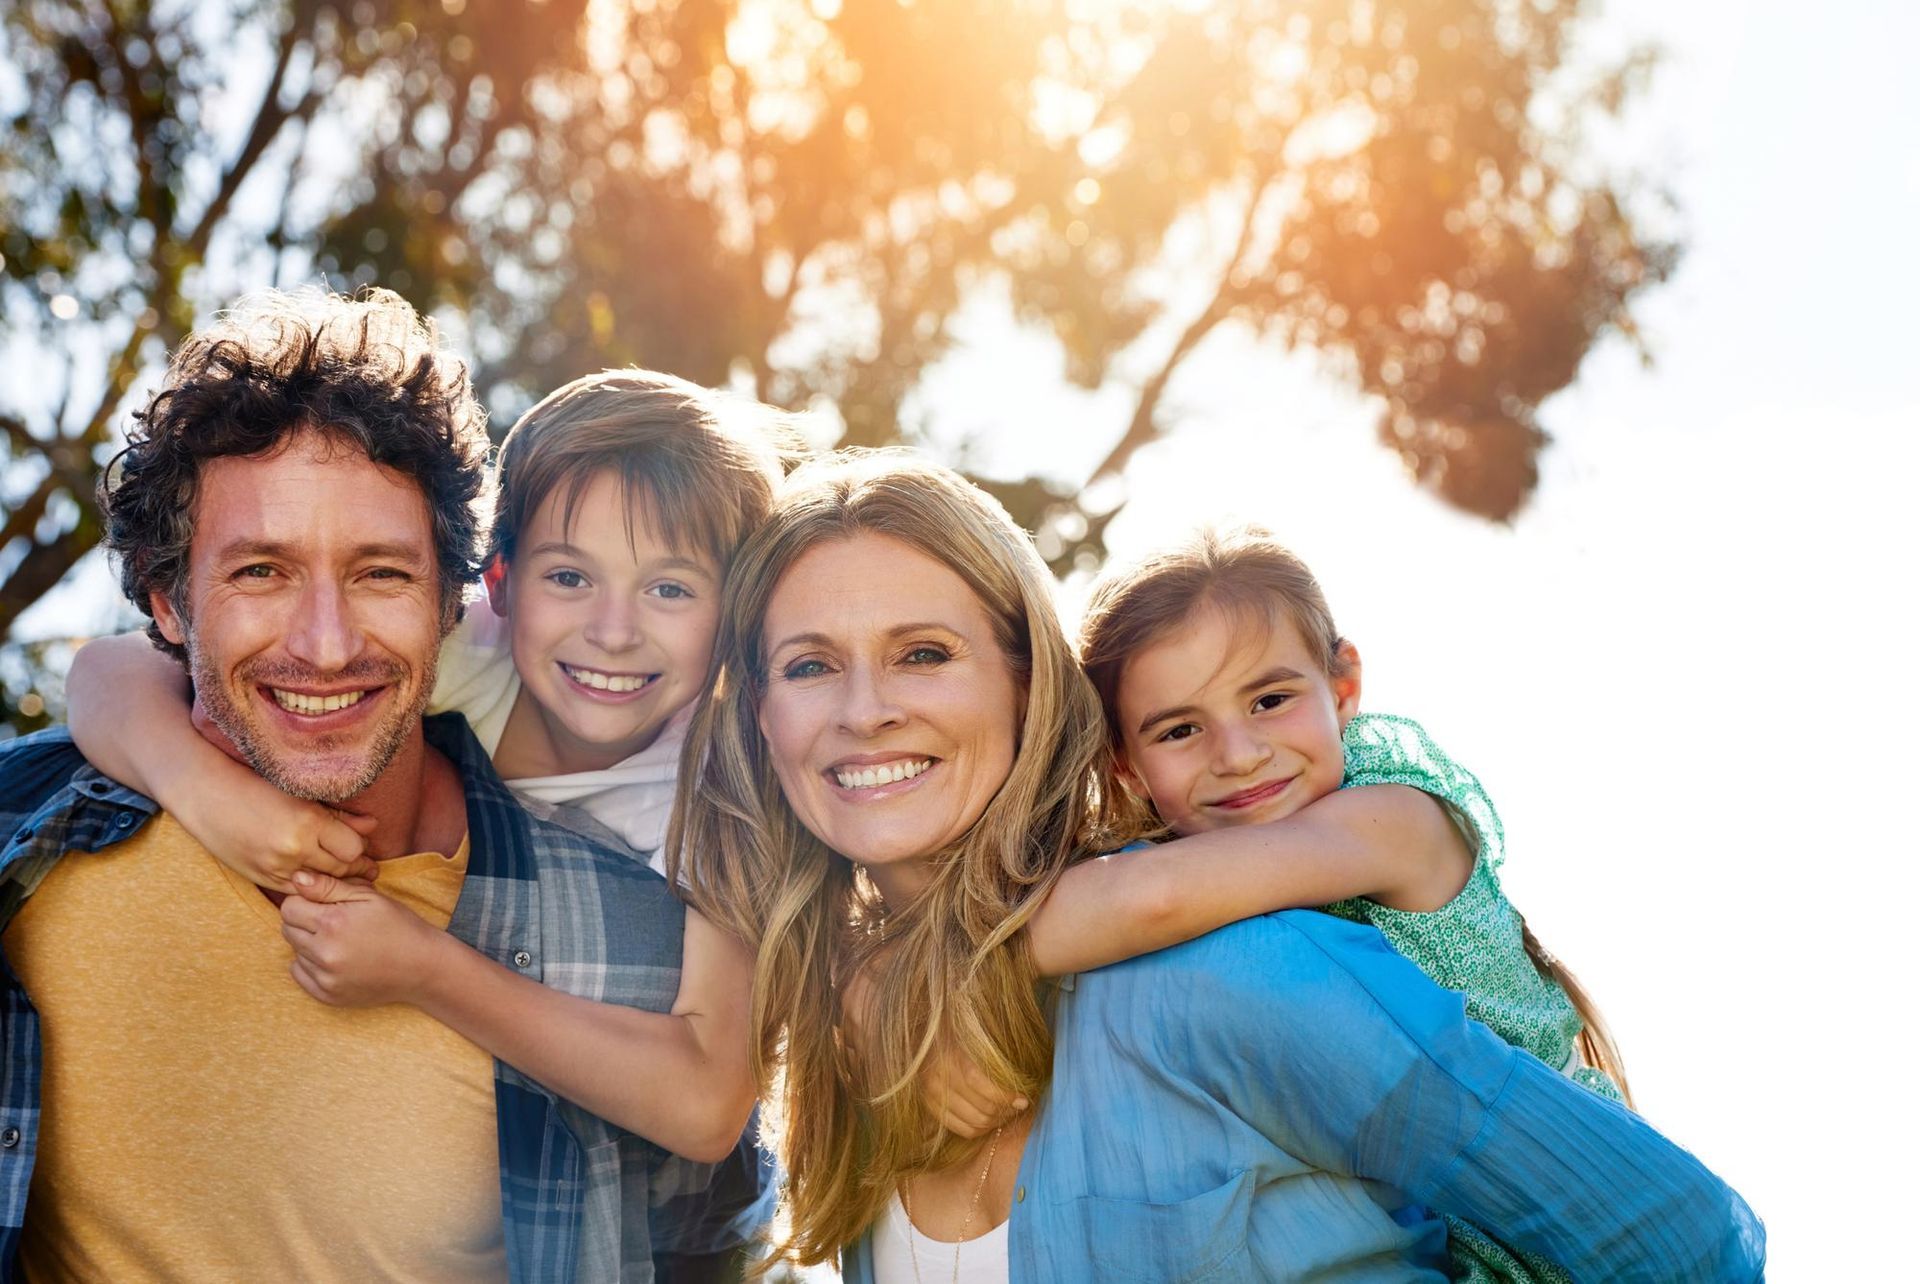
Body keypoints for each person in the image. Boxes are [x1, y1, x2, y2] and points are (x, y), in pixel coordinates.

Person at [670, 451, 1766, 1280]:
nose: (867, 712)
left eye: (924, 653)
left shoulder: (1244, 968)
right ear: (759, 717)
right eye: (811, 666)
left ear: (1027, 685)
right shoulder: (855, 1061)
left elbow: (1683, 1244)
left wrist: (932, 965)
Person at [0, 290, 761, 1281]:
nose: (326, 646)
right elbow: (102, 674)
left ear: (450, 601)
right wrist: (205, 787)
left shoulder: (649, 933)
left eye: (381, 576)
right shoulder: (26, 832)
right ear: (168, 601)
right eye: (262, 571)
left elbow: (719, 1224)